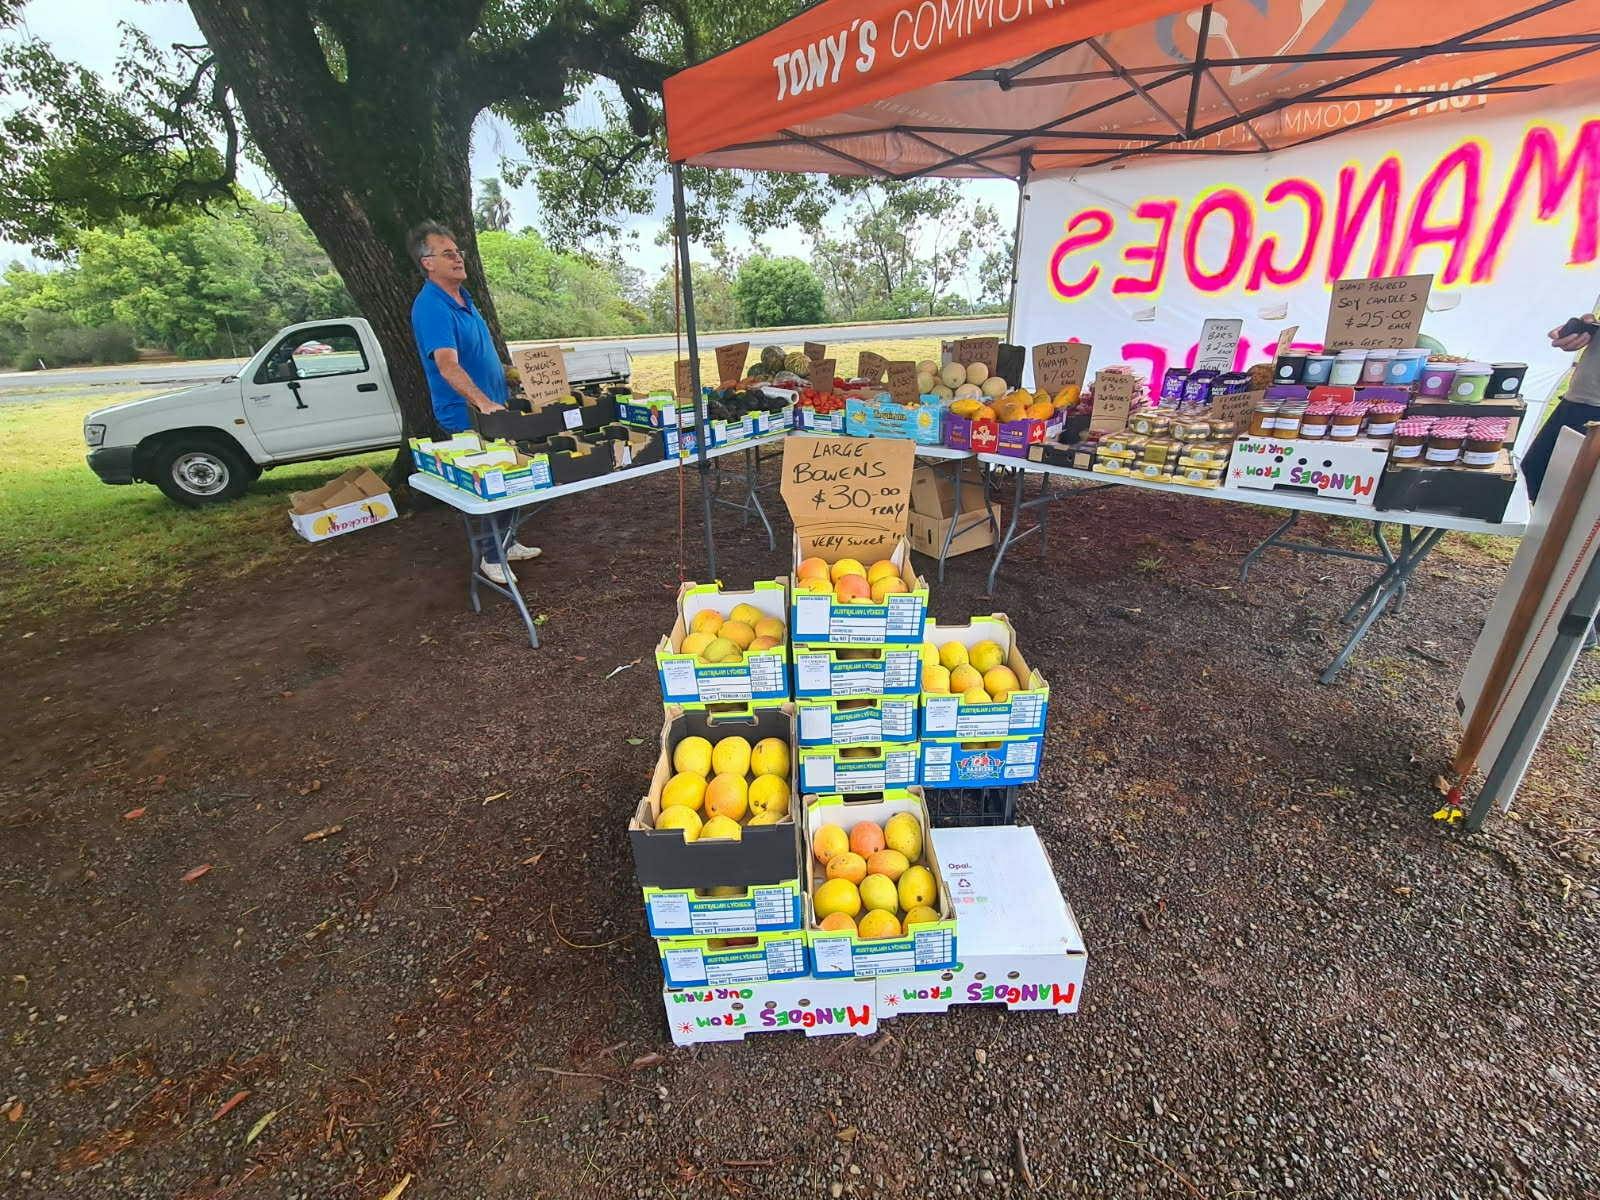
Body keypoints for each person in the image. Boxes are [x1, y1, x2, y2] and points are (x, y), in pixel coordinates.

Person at [407, 220, 540, 580]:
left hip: (494, 409)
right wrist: (482, 402)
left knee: (510, 478)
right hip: (466, 414)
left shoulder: (465, 299)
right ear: (427, 262)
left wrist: (511, 374)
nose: (457, 258)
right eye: (447, 253)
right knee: (487, 484)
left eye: (458, 252)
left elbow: (480, 352)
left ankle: (508, 542)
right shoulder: (431, 307)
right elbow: (447, 365)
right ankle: (490, 557)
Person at [1526, 312, 1600, 649]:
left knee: (1590, 513)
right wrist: (1580, 330)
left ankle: (1582, 614)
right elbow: (1578, 329)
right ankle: (1545, 600)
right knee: (1541, 486)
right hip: (1578, 404)